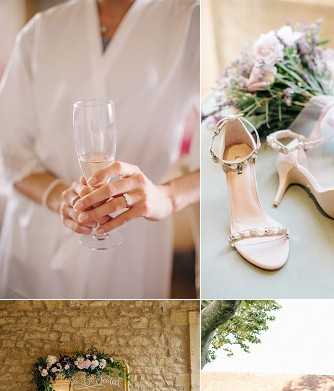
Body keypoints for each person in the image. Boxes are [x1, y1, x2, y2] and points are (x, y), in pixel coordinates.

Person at [0, 0, 199, 299]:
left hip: (132, 240)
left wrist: (167, 197)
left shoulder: (192, 20)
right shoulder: (40, 31)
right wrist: (59, 197)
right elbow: (9, 148)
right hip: (37, 237)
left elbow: (225, 148)